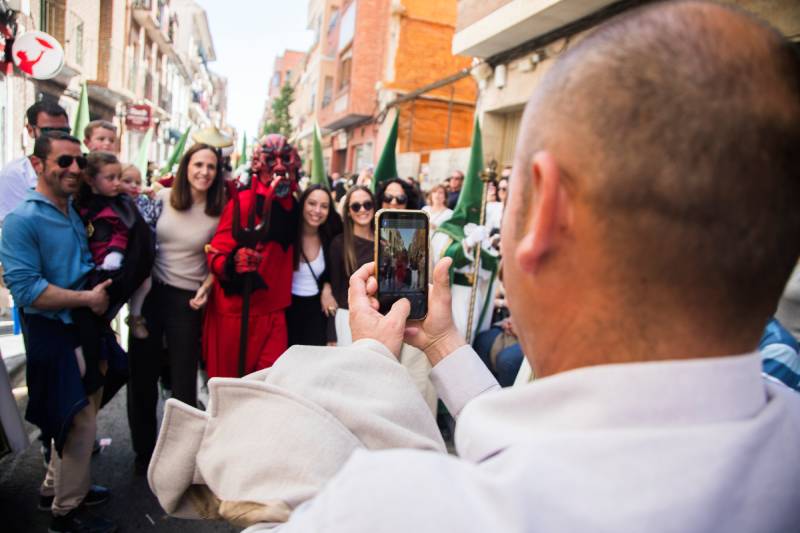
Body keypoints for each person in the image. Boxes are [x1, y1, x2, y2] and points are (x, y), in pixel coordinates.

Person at [260, 2, 800, 531]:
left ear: (544, 209)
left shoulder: (391, 509)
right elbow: (536, 443)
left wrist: (370, 362)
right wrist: (444, 345)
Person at [0, 132, 120, 533]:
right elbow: (27, 290)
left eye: (78, 161)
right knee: (78, 421)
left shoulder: (71, 209)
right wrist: (86, 299)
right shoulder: (22, 220)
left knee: (76, 417)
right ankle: (68, 514)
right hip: (55, 333)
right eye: (63, 162)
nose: (74, 169)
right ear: (37, 165)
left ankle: (56, 488)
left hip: (84, 331)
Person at [127, 143, 223, 474]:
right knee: (142, 378)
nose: (204, 172)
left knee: (183, 382)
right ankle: (143, 452)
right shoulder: (161, 198)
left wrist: (206, 289)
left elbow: (219, 258)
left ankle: (182, 454)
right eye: (198, 164)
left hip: (187, 300)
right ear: (186, 167)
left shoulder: (219, 211)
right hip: (151, 296)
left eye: (211, 166)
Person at [203, 134, 301, 378]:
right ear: (258, 163)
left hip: (275, 310)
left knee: (267, 389)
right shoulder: (244, 201)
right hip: (239, 313)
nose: (279, 167)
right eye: (271, 160)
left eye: (285, 158)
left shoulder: (294, 204)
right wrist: (234, 261)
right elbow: (215, 254)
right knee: (231, 393)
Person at [72, 152, 153, 397]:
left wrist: (115, 255)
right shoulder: (78, 206)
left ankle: (135, 316)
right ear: (91, 179)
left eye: (119, 177)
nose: (117, 183)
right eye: (110, 178)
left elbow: (124, 233)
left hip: (113, 273)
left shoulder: (121, 204)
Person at [285, 185, 342, 347]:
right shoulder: (288, 233)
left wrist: (327, 286)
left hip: (316, 313)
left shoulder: (331, 234)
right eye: (312, 203)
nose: (317, 210)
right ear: (302, 203)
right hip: (286, 311)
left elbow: (334, 270)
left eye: (324, 206)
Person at [0, 100, 69, 226]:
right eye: (48, 131)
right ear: (31, 130)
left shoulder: (78, 168)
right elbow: (14, 225)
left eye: (64, 131)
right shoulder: (15, 173)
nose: (57, 137)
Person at [328, 185, 375, 345]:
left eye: (367, 204)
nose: (362, 209)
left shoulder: (385, 241)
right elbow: (334, 292)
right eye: (356, 206)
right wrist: (331, 335)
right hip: (347, 318)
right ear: (348, 211)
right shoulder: (339, 244)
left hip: (379, 318)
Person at [119, 164, 162, 339]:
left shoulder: (143, 201)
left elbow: (155, 218)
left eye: (137, 182)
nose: (133, 186)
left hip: (141, 255)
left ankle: (135, 316)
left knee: (145, 283)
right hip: (119, 255)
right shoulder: (115, 201)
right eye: (127, 181)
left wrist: (154, 198)